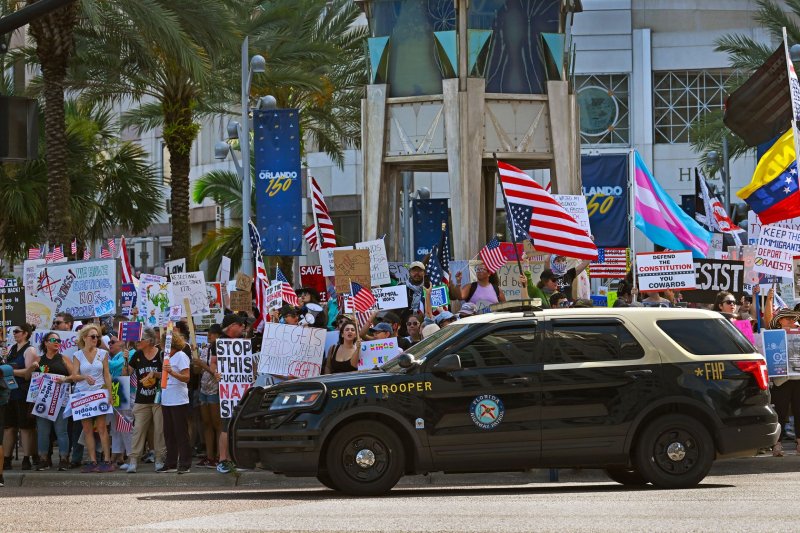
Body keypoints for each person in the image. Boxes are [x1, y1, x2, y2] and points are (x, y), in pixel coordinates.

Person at [70, 324, 114, 473]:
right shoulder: (78, 355)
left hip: (99, 392)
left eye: (97, 337)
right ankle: (93, 460)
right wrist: (84, 377)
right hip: (83, 394)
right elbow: (74, 376)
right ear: (84, 338)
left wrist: (110, 393)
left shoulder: (103, 353)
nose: (96, 339)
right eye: (93, 336)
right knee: (87, 429)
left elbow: (107, 374)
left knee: (102, 428)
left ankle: (107, 460)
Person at [764, 290, 800, 457]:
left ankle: (799, 443)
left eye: (794, 318)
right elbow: (767, 321)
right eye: (789, 318)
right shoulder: (774, 335)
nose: (793, 321)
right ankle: (776, 444)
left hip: (798, 378)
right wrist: (769, 300)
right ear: (779, 322)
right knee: (780, 411)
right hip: (781, 379)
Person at [125, 327, 166, 473]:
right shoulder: (136, 354)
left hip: (158, 398)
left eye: (139, 339)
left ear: (149, 340)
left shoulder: (161, 354)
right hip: (141, 398)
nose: (136, 342)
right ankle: (133, 459)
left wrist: (154, 374)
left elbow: (167, 374)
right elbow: (127, 373)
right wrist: (125, 360)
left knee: (159, 430)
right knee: (138, 430)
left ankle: (160, 458)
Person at [34, 331, 74, 471]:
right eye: (53, 340)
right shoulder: (38, 360)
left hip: (61, 400)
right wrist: (32, 368)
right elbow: (29, 376)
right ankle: (44, 460)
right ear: (46, 343)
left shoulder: (64, 358)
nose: (57, 342)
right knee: (43, 432)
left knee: (61, 431)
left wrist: (65, 379)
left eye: (59, 340)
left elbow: (75, 376)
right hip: (43, 401)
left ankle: (64, 459)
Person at [3, 323, 39, 471]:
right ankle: (6, 458)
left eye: (17, 331)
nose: (14, 334)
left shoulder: (29, 350)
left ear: (25, 333)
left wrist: (9, 371)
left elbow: (28, 374)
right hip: (9, 393)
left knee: (25, 427)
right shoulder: (12, 349)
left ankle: (27, 457)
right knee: (9, 427)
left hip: (22, 393)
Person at [215, 313, 247, 474]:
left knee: (240, 423)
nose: (243, 328)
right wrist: (215, 373)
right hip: (227, 391)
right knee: (226, 425)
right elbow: (212, 363)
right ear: (233, 326)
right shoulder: (219, 342)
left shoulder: (243, 342)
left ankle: (238, 458)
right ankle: (223, 459)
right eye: (241, 325)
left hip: (242, 389)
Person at [159, 330, 192, 474]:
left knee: (181, 432)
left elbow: (186, 377)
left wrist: (172, 372)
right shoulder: (167, 357)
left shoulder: (181, 355)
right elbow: (168, 375)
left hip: (178, 399)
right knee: (169, 433)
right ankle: (171, 462)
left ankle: (185, 462)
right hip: (167, 398)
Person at [194, 324, 222, 469]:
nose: (209, 336)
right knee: (206, 423)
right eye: (208, 333)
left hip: (214, 389)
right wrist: (196, 363)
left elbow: (216, 371)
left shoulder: (221, 349)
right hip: (204, 389)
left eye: (212, 333)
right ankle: (209, 455)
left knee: (217, 423)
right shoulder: (205, 348)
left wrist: (202, 365)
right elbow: (199, 370)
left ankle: (218, 456)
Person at [107, 334, 133, 468]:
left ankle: (131, 456)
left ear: (123, 342)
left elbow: (116, 367)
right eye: (109, 342)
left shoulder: (132, 352)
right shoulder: (115, 356)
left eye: (112, 342)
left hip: (127, 389)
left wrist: (99, 357)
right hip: (118, 388)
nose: (109, 344)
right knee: (116, 426)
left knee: (126, 424)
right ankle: (116, 454)